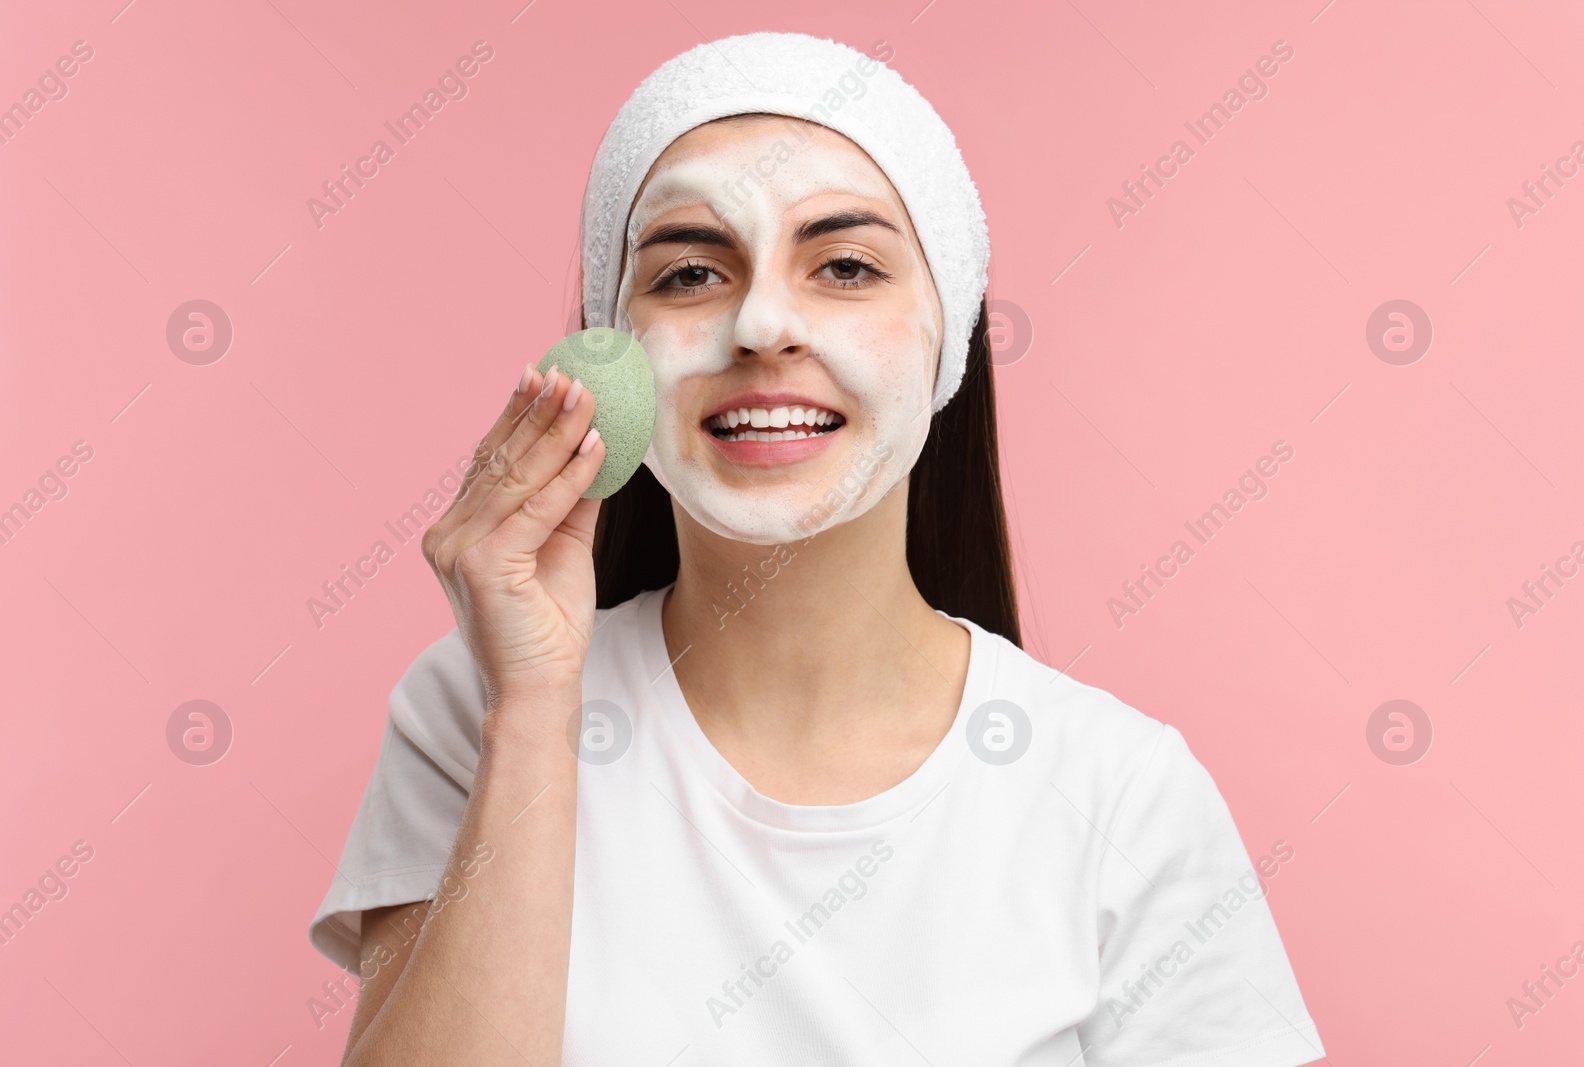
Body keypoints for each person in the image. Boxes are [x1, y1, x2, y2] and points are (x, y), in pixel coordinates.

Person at [309, 31, 1326, 1067]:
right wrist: (529, 711)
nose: (759, 323)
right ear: (611, 340)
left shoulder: (1121, 793)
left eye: (844, 265)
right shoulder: (470, 712)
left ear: (948, 337)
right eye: (692, 272)